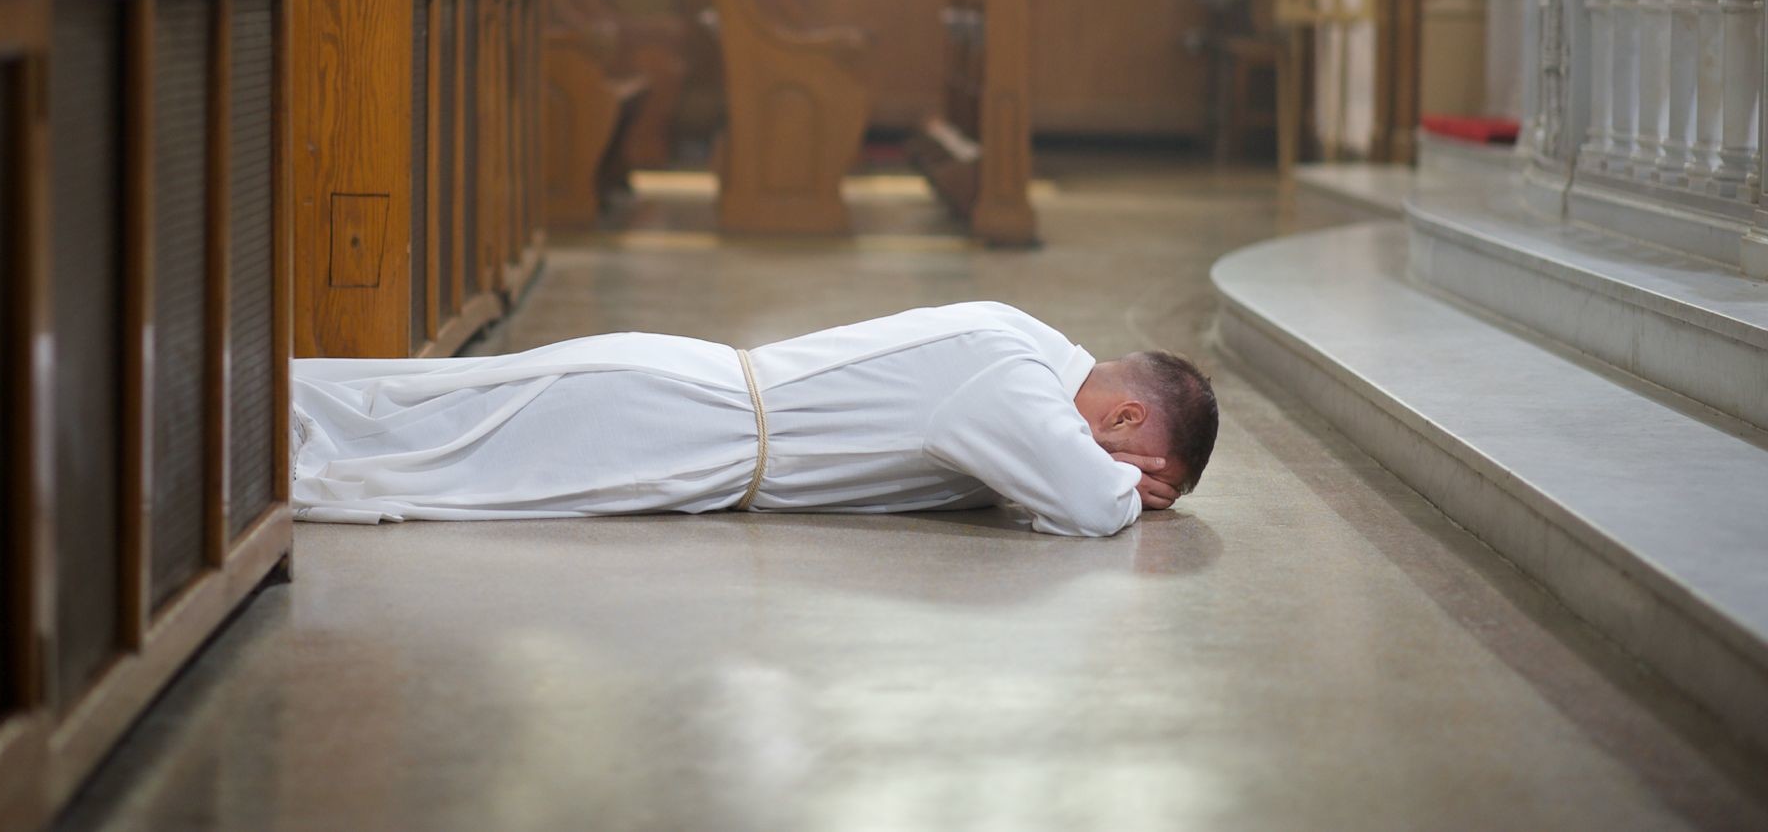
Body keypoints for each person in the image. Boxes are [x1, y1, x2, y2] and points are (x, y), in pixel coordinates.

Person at [289, 301, 1217, 537]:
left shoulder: (1023, 344)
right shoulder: (1015, 381)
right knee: (426, 448)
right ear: (1127, 412)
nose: (1141, 483)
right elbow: (1088, 508)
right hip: (678, 418)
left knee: (436, 431)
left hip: (697, 422)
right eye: (1148, 463)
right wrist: (1131, 494)